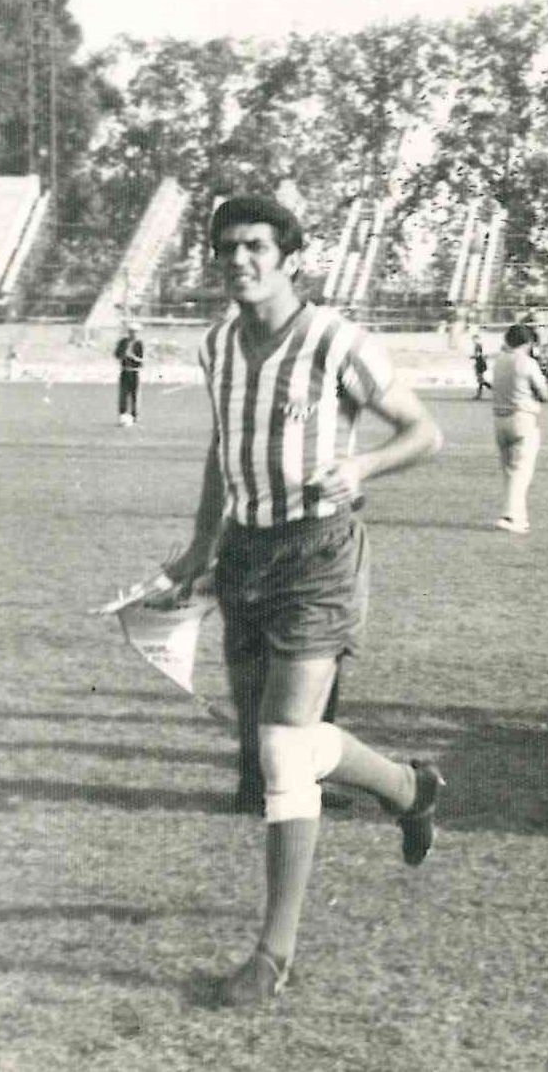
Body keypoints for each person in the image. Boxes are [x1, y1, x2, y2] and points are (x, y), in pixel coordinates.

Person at [151, 196, 444, 1005]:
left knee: (283, 748)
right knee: (279, 741)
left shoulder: (334, 339)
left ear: (288, 258)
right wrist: (200, 545)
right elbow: (224, 446)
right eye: (225, 248)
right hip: (246, 556)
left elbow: (423, 432)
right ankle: (407, 788)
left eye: (253, 247)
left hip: (319, 553)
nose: (237, 260)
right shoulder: (217, 345)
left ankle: (271, 954)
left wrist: (363, 469)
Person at [492, 323, 547, 533]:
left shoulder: (499, 361)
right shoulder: (527, 362)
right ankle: (511, 516)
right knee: (522, 471)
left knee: (509, 472)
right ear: (528, 342)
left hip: (499, 419)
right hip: (522, 417)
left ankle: (519, 516)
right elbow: (543, 393)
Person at [114, 324, 144, 425]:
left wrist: (133, 357)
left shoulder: (139, 344)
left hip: (135, 371)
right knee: (123, 394)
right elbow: (116, 354)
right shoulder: (123, 342)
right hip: (125, 371)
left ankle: (134, 416)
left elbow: (142, 360)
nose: (133, 334)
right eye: (131, 331)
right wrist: (122, 355)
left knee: (134, 395)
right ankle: (122, 415)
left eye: (135, 332)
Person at [471, 335, 492, 399]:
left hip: (480, 364)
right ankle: (479, 395)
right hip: (480, 363)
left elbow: (478, 354)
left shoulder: (478, 345)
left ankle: (494, 389)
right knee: (480, 380)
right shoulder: (479, 345)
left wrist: (473, 357)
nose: (473, 341)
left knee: (480, 380)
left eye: (474, 339)